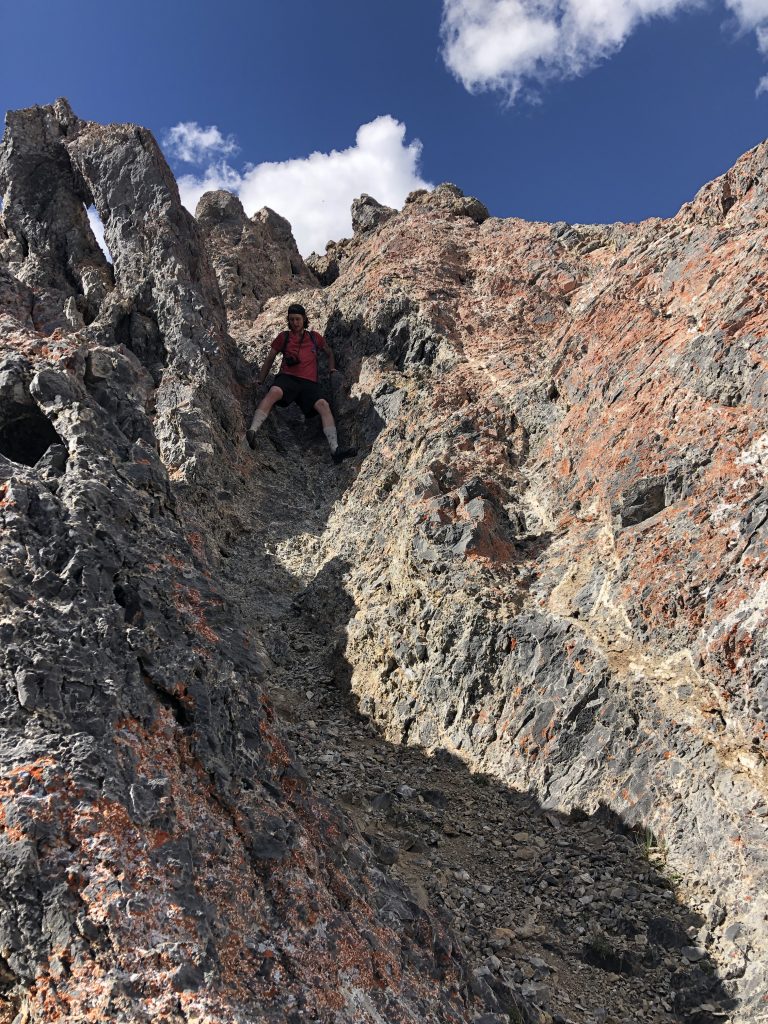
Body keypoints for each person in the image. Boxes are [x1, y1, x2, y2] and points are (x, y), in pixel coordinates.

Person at [246, 303, 357, 463]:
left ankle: (335, 450)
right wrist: (261, 379)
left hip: (309, 383)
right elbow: (270, 358)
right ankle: (253, 430)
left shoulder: (314, 337)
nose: (294, 323)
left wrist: (332, 369)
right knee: (274, 392)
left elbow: (329, 352)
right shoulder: (283, 337)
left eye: (297, 319)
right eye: (291, 319)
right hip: (287, 377)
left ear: (304, 319)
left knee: (323, 405)